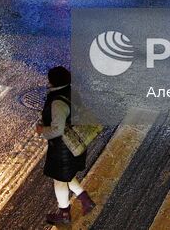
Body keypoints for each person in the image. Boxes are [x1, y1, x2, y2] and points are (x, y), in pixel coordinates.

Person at [39, 66, 94, 225]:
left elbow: (57, 130)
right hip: (75, 142)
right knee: (66, 175)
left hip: (64, 149)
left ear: (52, 81)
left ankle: (64, 214)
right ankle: (85, 199)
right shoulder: (71, 91)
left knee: (60, 180)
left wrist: (42, 130)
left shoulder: (57, 102)